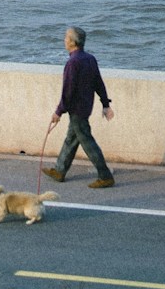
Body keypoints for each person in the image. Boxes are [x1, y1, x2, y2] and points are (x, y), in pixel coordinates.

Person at [45, 26, 115, 188]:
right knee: (71, 139)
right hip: (85, 107)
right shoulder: (90, 59)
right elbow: (99, 83)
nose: (64, 40)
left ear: (72, 42)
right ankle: (60, 170)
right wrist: (105, 104)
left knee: (88, 142)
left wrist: (58, 112)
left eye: (66, 37)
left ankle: (105, 176)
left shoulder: (72, 63)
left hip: (76, 109)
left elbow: (67, 92)